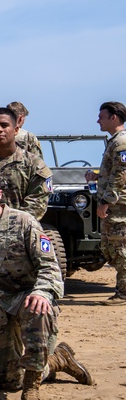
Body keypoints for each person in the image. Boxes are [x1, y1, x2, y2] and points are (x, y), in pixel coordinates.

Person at [0, 171, 93, 400]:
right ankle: (58, 360)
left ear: (0, 193)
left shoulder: (24, 222)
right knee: (8, 381)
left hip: (24, 298)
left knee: (38, 309)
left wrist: (41, 292)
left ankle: (32, 388)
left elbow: (49, 266)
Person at [90, 101, 126, 303]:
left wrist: (106, 201)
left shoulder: (121, 142)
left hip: (118, 205)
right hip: (115, 203)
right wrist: (96, 176)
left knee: (119, 248)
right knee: (112, 248)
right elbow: (113, 172)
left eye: (101, 116)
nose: (98, 120)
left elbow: (122, 174)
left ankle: (124, 292)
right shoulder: (115, 142)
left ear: (113, 117)